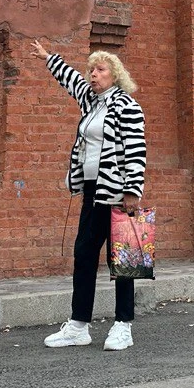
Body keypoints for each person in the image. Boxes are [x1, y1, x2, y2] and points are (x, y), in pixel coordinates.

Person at [31, 39, 146, 351]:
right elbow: (71, 79)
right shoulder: (91, 102)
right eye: (91, 69)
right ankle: (79, 325)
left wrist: (132, 190)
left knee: (123, 260)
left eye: (100, 69)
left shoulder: (126, 106)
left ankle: (123, 325)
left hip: (119, 193)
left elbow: (136, 150)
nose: (93, 74)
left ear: (115, 75)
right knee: (83, 254)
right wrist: (48, 58)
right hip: (93, 191)